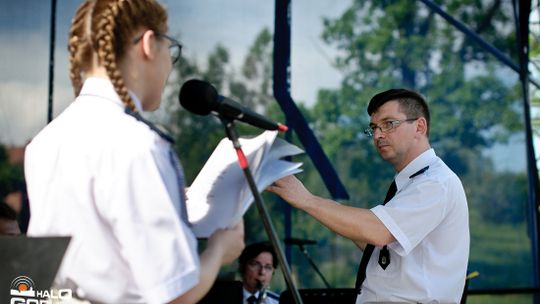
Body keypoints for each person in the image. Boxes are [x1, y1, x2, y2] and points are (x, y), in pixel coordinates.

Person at [24, 1, 244, 303]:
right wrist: (220, 250)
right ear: (149, 44)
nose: (170, 64)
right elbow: (175, 295)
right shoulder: (140, 146)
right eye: (172, 48)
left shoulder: (44, 142)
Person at [268, 89, 469, 303]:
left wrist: (307, 200)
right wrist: (333, 216)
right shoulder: (413, 182)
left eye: (389, 124)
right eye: (374, 127)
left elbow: (378, 232)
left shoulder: (435, 183)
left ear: (419, 127)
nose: (378, 135)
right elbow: (379, 246)